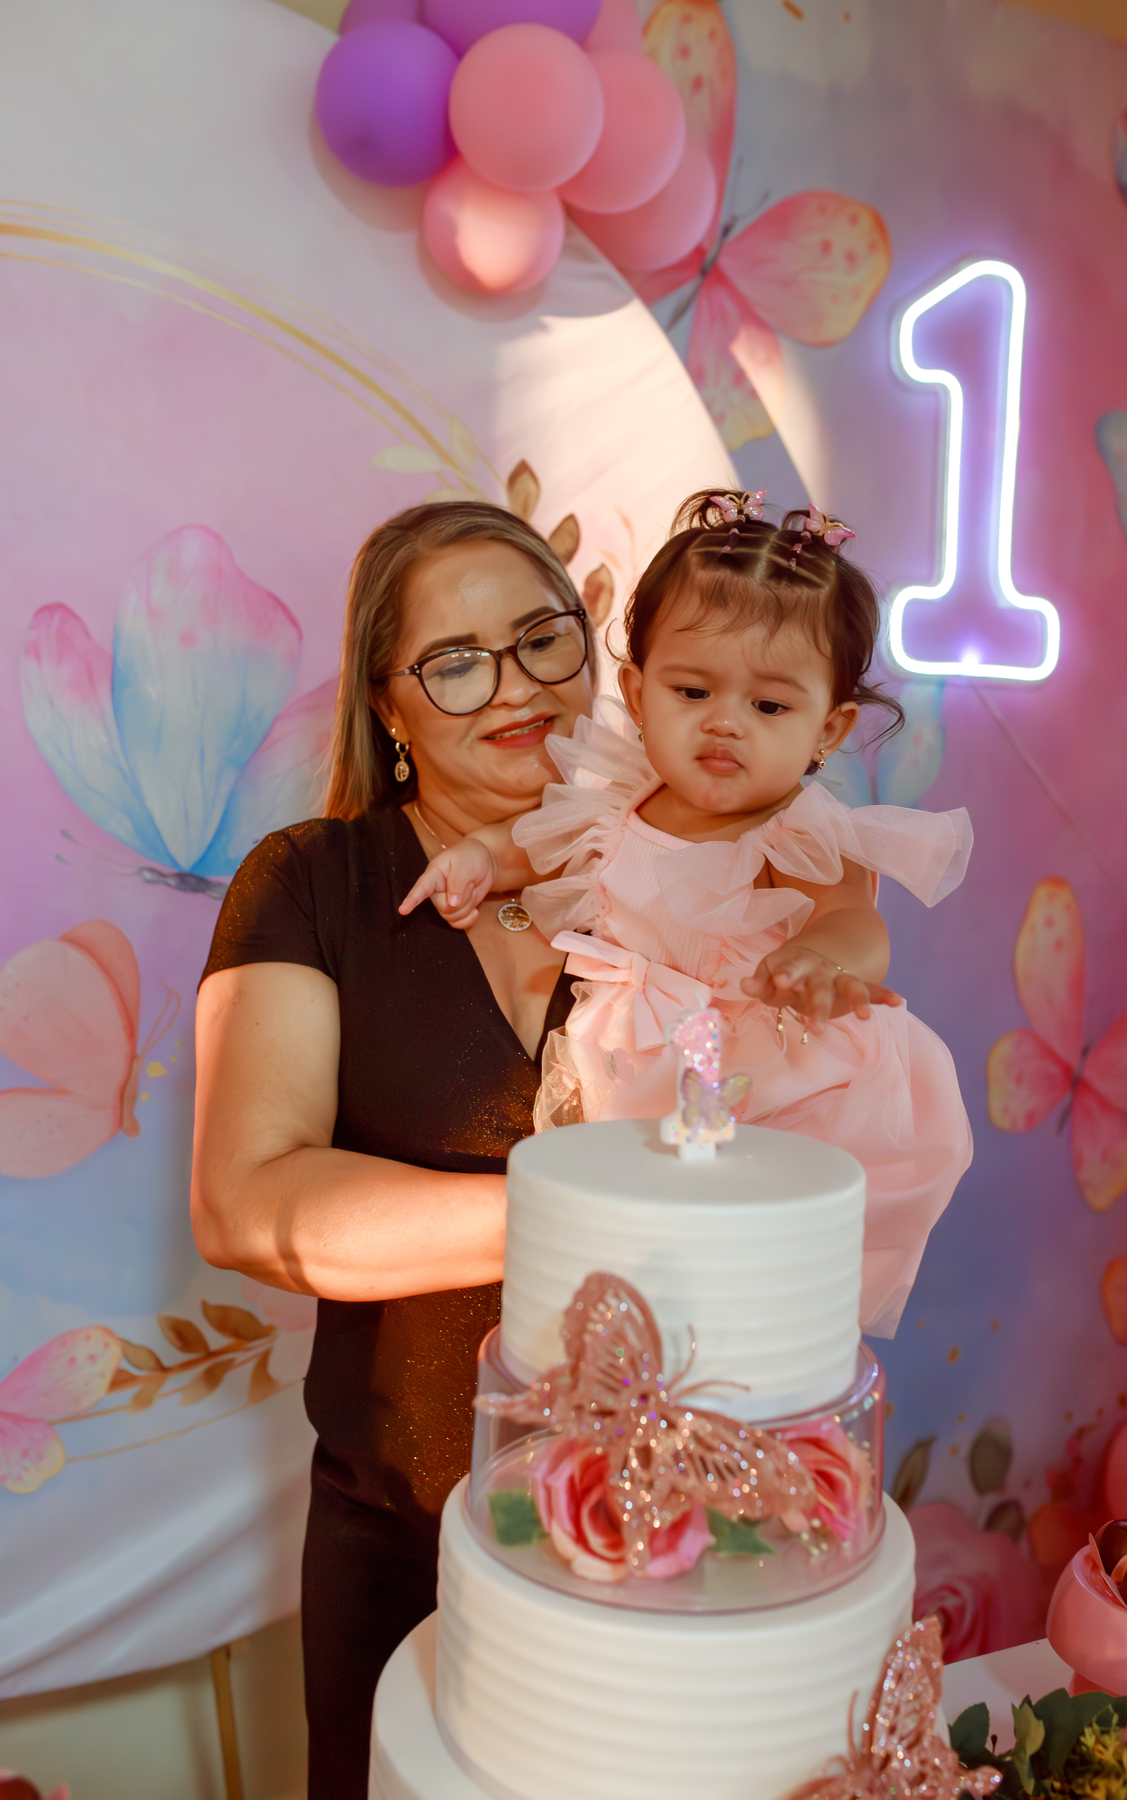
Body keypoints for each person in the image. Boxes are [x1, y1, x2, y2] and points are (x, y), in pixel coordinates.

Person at [190, 501, 598, 1800]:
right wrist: (594, 1211)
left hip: (675, 1540)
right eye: (457, 661)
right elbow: (247, 1200)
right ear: (389, 705)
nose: (516, 686)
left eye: (543, 637)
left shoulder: (680, 872)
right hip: (407, 1537)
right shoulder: (316, 884)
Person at [400, 490, 974, 1336]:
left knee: (743, 1270)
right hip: (638, 1058)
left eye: (769, 707)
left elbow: (854, 920)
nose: (724, 724)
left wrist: (822, 959)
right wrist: (479, 857)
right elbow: (538, 845)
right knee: (637, 1262)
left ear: (829, 728)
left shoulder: (796, 831)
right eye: (693, 690)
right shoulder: (623, 803)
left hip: (764, 1066)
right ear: (637, 695)